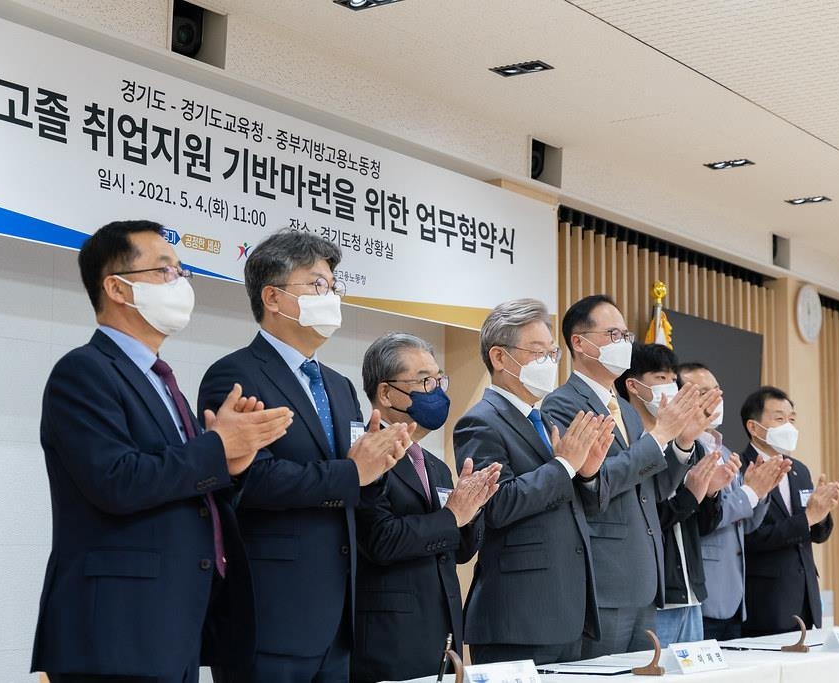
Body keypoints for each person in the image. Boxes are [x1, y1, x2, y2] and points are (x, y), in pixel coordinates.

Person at [31, 220, 294, 683]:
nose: (181, 283)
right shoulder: (84, 371)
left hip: (173, 623)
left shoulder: (160, 379)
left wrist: (231, 463)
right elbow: (116, 480)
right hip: (114, 630)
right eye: (165, 271)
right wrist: (216, 448)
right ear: (116, 287)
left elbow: (180, 488)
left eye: (182, 271)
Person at [197, 229, 413, 683]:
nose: (330, 295)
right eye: (317, 285)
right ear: (273, 298)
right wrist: (353, 472)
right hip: (271, 616)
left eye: (333, 286)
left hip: (338, 619)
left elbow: (357, 481)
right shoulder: (233, 375)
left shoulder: (338, 385)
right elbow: (250, 480)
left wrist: (379, 467)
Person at [542, 295, 721, 657]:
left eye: (626, 335)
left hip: (645, 577)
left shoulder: (627, 409)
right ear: (579, 342)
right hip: (605, 577)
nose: (624, 344)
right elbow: (595, 484)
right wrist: (659, 437)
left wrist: (682, 443)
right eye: (613, 334)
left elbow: (653, 489)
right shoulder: (561, 403)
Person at [453, 298, 615, 665]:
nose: (548, 363)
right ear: (499, 357)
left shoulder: (541, 420)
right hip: (518, 615)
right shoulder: (480, 421)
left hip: (565, 610)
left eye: (552, 353)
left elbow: (570, 504)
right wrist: (563, 466)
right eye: (537, 352)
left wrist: (585, 472)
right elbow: (496, 505)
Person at [352, 333, 500, 683]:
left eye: (438, 379)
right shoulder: (365, 455)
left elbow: (460, 551)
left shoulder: (434, 465)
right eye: (423, 381)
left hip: (444, 631)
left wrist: (472, 509)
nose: (435, 390)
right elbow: (380, 540)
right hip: (390, 638)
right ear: (386, 393)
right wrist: (452, 516)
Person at [614, 347, 737, 647]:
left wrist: (710, 493)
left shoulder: (690, 444)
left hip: (691, 591)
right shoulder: (631, 447)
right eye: (661, 378)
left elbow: (702, 526)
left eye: (673, 378)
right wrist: (690, 497)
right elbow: (647, 519)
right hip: (656, 594)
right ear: (633, 385)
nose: (670, 386)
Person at [675, 363, 790, 641]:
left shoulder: (724, 451)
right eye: (704, 392)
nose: (715, 398)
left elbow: (745, 527)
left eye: (717, 390)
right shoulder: (682, 449)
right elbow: (705, 517)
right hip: (705, 593)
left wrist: (759, 493)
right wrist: (749, 493)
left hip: (736, 595)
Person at [739, 386, 839, 636]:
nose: (788, 426)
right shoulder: (740, 468)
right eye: (779, 419)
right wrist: (807, 518)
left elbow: (816, 534)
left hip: (805, 595)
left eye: (792, 419)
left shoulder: (799, 470)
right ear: (753, 427)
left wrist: (822, 511)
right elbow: (749, 536)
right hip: (765, 599)